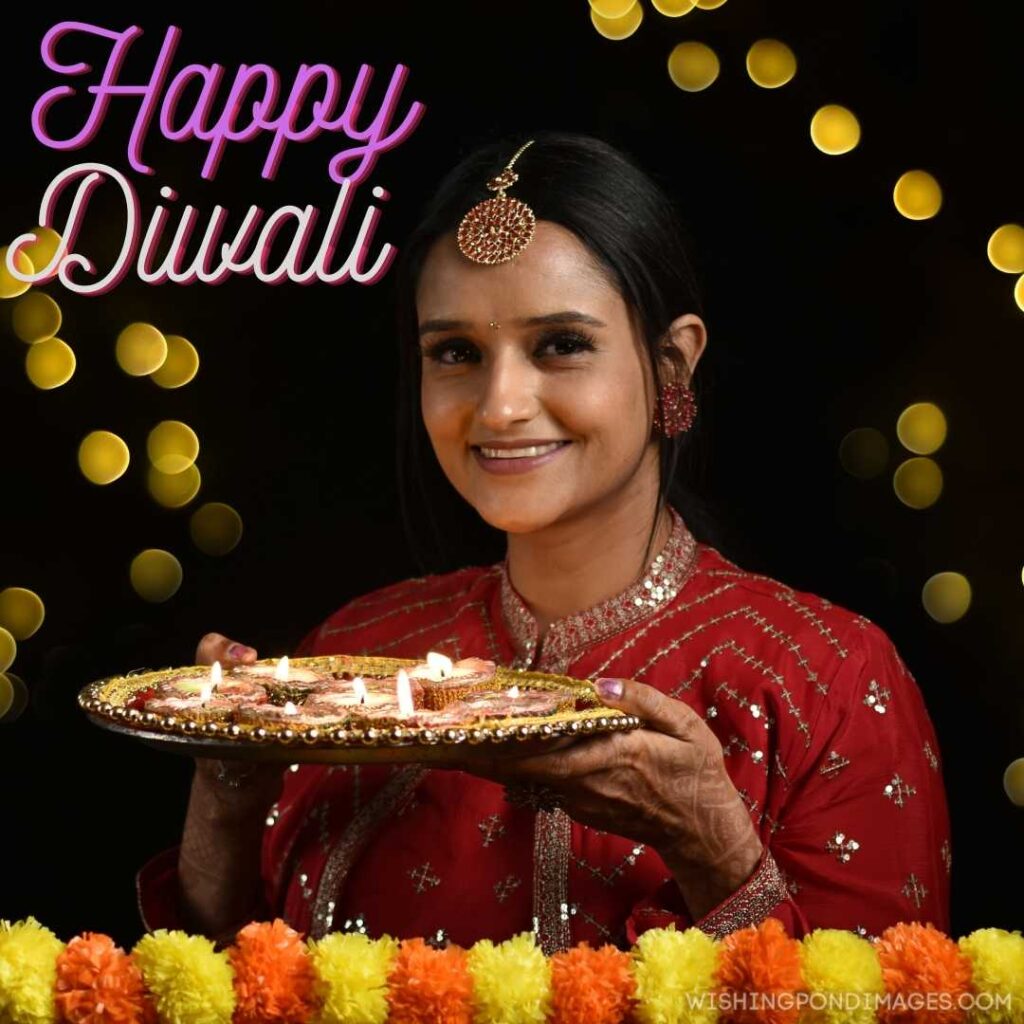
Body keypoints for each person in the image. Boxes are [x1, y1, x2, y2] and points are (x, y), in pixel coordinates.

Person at [136, 133, 951, 953]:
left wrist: (715, 853)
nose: (499, 407)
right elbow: (222, 984)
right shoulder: (356, 654)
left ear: (673, 364)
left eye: (561, 345)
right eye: (455, 352)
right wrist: (226, 796)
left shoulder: (826, 680)